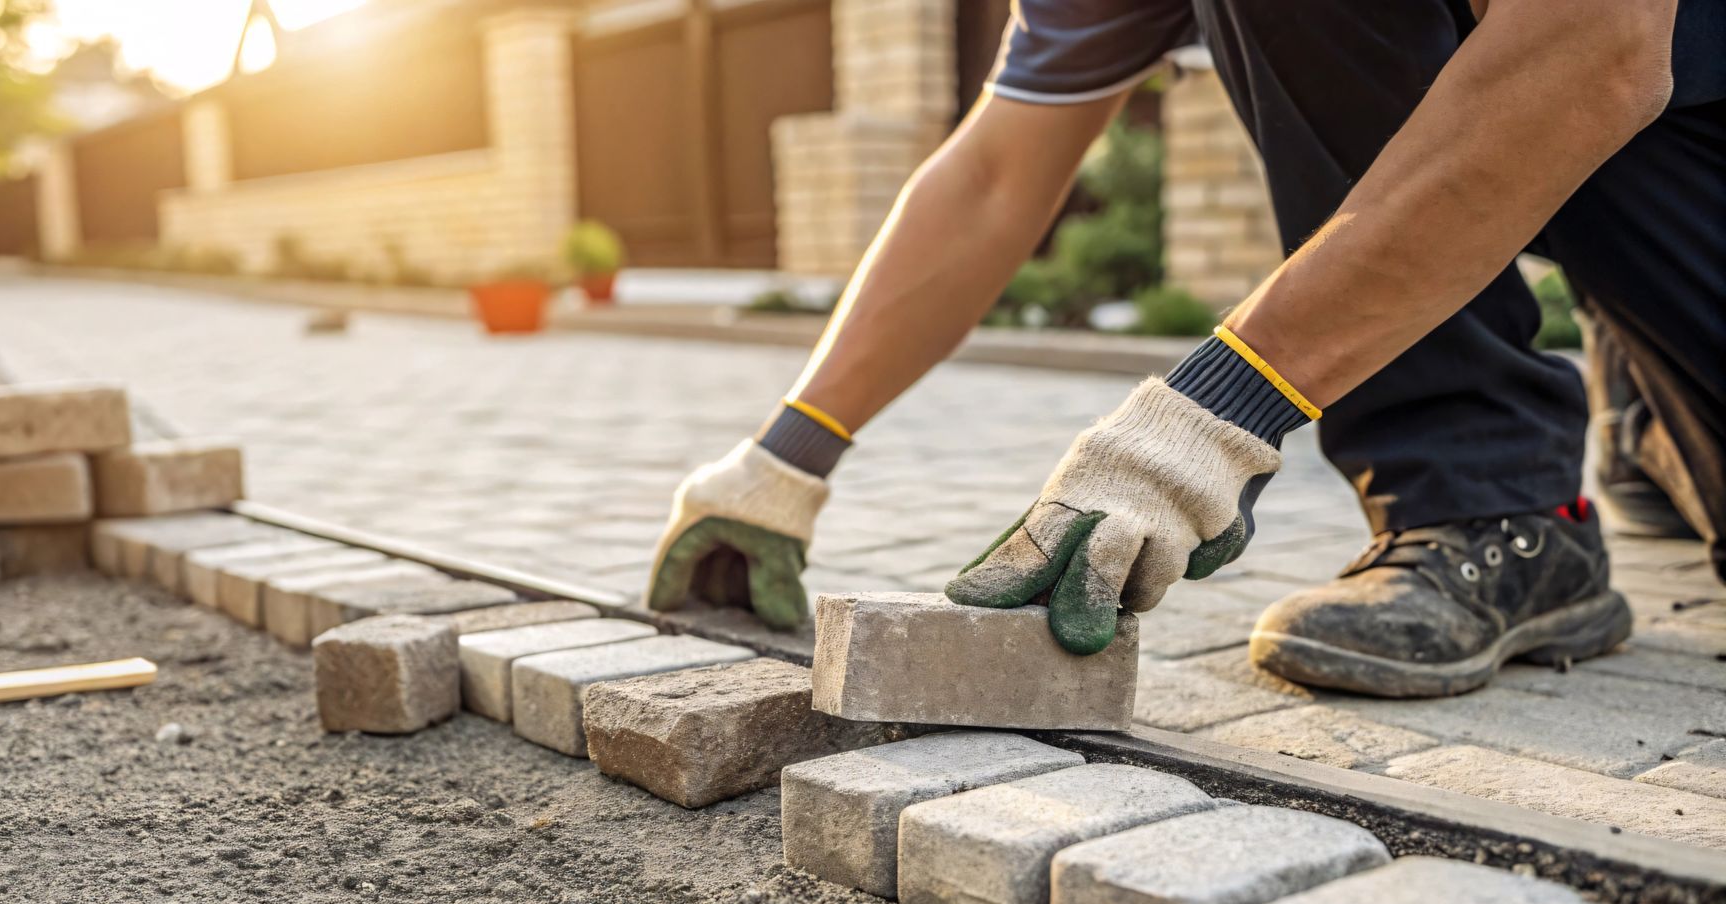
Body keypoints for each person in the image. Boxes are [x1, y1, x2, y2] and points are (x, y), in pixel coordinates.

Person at [648, 0, 1725, 698]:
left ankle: (1646, 391)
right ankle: (1498, 493)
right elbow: (991, 179)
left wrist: (1213, 419)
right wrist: (787, 456)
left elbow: (1598, 52)